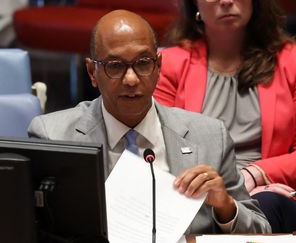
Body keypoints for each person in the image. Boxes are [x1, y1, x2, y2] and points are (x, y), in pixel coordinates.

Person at [28, 9, 270, 234]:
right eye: (115, 66)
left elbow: (262, 231)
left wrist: (225, 206)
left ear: (158, 67)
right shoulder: (54, 136)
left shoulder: (210, 137)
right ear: (92, 73)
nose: (131, 79)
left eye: (143, 63)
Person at [153, 0, 296, 233]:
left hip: (272, 198)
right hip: (198, 201)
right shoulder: (170, 64)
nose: (226, 1)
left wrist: (253, 176)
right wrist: (227, 191)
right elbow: (157, 151)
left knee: (265, 205)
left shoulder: (291, 59)